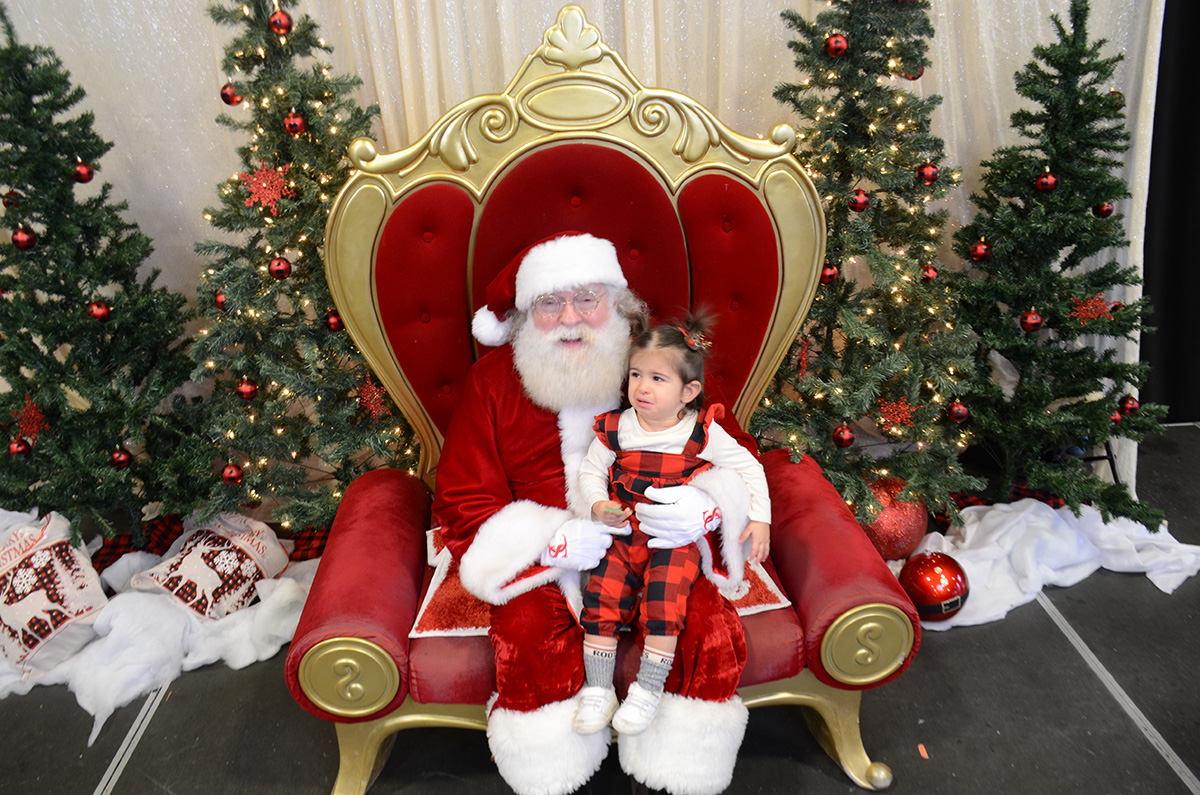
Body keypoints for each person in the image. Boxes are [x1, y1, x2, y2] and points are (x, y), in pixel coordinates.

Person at [432, 232, 757, 795]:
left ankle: (682, 770)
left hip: (659, 542)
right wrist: (550, 543)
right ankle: (552, 773)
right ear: (524, 316)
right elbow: (462, 496)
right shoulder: (491, 382)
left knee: (705, 623)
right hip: (550, 564)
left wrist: (704, 507)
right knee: (526, 631)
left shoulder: (654, 363)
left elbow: (733, 450)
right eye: (549, 303)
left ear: (617, 304)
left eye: (587, 299)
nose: (569, 318)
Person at [572, 315, 771, 738]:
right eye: (636, 374)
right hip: (623, 533)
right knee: (601, 596)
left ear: (688, 391)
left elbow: (749, 468)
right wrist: (598, 504)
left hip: (673, 538)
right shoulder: (616, 428)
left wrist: (760, 519)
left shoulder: (700, 433)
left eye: (657, 378)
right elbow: (590, 471)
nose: (642, 387)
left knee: (664, 605)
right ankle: (598, 689)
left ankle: (647, 690)